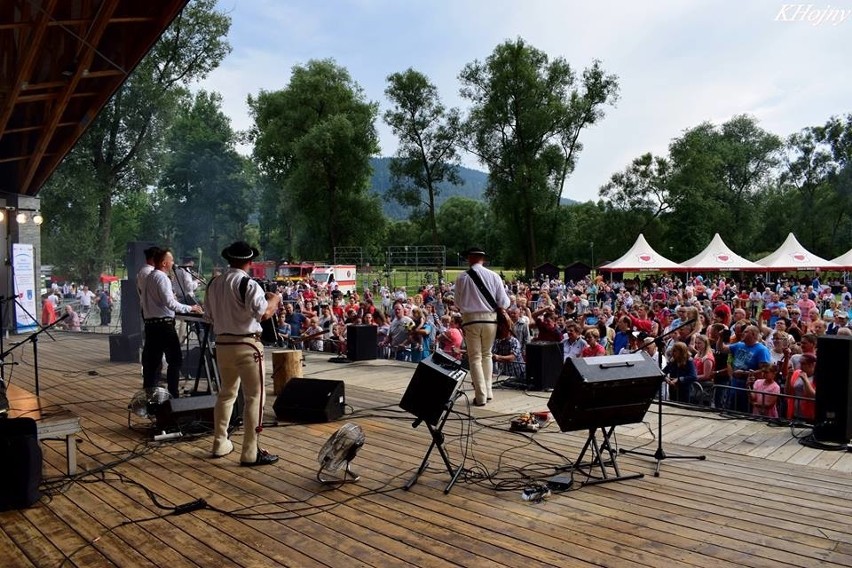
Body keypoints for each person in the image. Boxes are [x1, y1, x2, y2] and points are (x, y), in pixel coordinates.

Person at [205, 241, 281, 467]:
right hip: (247, 345)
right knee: (254, 398)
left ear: (229, 259)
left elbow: (208, 317)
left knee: (226, 393)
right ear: (250, 261)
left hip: (222, 344)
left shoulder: (213, 283)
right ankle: (250, 451)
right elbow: (264, 314)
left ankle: (220, 442)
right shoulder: (248, 284)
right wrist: (274, 299)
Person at [141, 248, 202, 398]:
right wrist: (191, 308)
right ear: (164, 263)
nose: (174, 263)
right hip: (163, 325)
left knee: (153, 363)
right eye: (171, 260)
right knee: (175, 360)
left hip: (151, 324)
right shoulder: (161, 278)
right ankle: (173, 395)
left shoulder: (149, 277)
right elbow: (170, 303)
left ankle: (150, 396)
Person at [454, 247, 510, 406]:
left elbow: (457, 303)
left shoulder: (462, 278)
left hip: (471, 320)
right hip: (491, 320)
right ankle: (488, 391)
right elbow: (504, 302)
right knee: (487, 354)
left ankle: (481, 396)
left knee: (475, 358)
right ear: (483, 259)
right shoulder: (494, 276)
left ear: (469, 259)